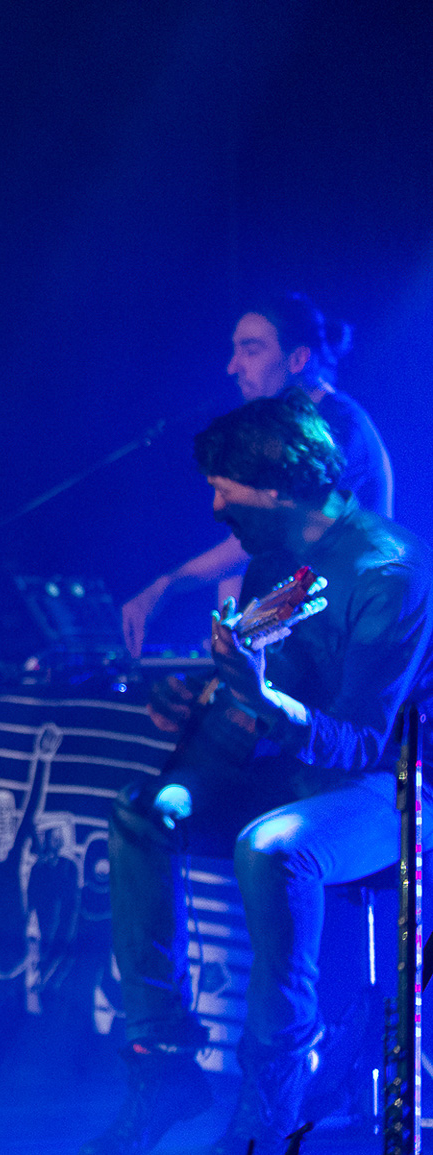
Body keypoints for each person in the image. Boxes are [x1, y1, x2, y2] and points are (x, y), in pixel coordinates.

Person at [82, 390, 432, 1155]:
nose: (213, 507)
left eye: (224, 488)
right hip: (300, 769)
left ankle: (274, 1100)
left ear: (278, 487)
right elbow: (255, 703)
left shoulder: (389, 570)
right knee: (146, 808)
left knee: (275, 847)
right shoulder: (272, 563)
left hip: (390, 786)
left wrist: (259, 695)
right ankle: (164, 1061)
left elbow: (362, 738)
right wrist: (207, 707)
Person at [120, 293, 392, 656]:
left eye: (251, 351)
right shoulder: (280, 429)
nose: (233, 367)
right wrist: (230, 639)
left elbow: (262, 536)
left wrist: (167, 584)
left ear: (298, 358)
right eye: (234, 352)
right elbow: (249, 537)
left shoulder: (332, 429)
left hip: (345, 631)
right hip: (306, 625)